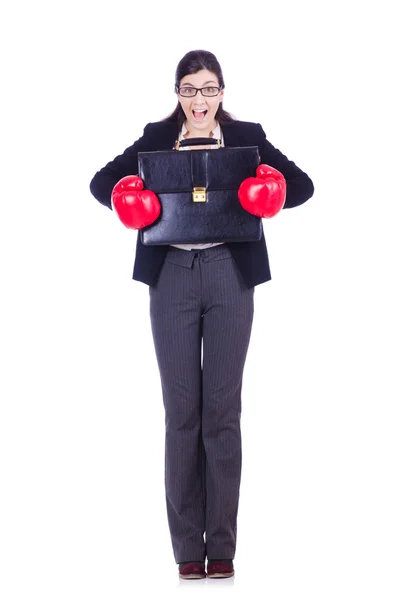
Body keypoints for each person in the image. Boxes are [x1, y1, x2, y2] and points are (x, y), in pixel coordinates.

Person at [89, 49, 314, 580]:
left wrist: (265, 183)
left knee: (222, 412)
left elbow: (301, 187)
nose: (199, 99)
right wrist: (135, 196)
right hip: (171, 277)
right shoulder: (153, 137)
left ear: (222, 92)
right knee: (181, 412)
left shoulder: (247, 136)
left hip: (228, 275)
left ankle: (224, 549)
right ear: (177, 93)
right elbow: (101, 185)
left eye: (208, 88)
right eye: (189, 89)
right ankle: (189, 547)